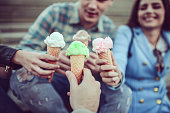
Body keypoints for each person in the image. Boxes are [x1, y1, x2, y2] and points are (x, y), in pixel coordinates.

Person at [10, 0, 132, 113]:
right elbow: (24, 49)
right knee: (21, 75)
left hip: (89, 86)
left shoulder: (109, 28)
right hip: (52, 82)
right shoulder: (55, 13)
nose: (92, 6)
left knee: (124, 92)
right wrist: (49, 57)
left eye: (101, 0)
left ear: (111, 1)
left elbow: (114, 67)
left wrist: (102, 70)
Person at [97, 0, 170, 113]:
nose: (149, 11)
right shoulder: (126, 32)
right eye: (143, 8)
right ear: (137, 13)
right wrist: (117, 75)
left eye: (156, 6)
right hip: (134, 106)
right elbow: (119, 57)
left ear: (166, 11)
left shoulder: (168, 37)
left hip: (161, 106)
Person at [0, 45, 101, 113]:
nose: (93, 11)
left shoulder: (107, 26)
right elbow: (25, 46)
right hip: (53, 75)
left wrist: (99, 67)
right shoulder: (53, 15)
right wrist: (50, 56)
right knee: (22, 76)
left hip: (90, 79)